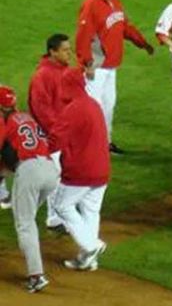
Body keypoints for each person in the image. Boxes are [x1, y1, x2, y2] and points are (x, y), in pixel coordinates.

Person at [75, 0, 155, 155]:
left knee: (108, 106)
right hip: (96, 67)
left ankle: (106, 144)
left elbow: (124, 27)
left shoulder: (114, 2)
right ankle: (89, 147)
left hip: (111, 66)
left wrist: (142, 43)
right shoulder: (90, 5)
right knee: (93, 108)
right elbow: (83, 37)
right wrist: (87, 63)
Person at [49, 68, 110, 272]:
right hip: (101, 170)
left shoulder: (74, 108)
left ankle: (91, 245)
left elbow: (56, 140)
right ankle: (87, 260)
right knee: (90, 212)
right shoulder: (93, 104)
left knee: (62, 205)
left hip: (81, 172)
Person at [0, 85, 59, 293]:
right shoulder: (26, 117)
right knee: (27, 219)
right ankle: (31, 253)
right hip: (51, 171)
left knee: (25, 223)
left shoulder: (2, 121)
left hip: (29, 171)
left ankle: (37, 276)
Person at [28, 33, 71, 231]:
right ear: (52, 52)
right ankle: (54, 218)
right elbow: (40, 108)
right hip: (50, 135)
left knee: (62, 175)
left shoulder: (63, 70)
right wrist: (57, 131)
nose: (69, 53)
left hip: (63, 132)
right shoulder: (43, 75)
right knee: (55, 176)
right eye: (64, 50)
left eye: (69, 49)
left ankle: (57, 212)